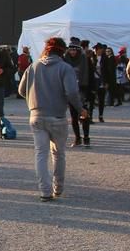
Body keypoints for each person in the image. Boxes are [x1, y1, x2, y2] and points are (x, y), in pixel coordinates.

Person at [18, 37, 83, 200]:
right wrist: (81, 109)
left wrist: (33, 98)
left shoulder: (33, 66)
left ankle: (44, 191)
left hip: (36, 116)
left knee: (41, 154)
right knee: (58, 153)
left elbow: (21, 90)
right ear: (62, 51)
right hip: (58, 116)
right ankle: (58, 188)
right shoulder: (65, 68)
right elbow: (72, 92)